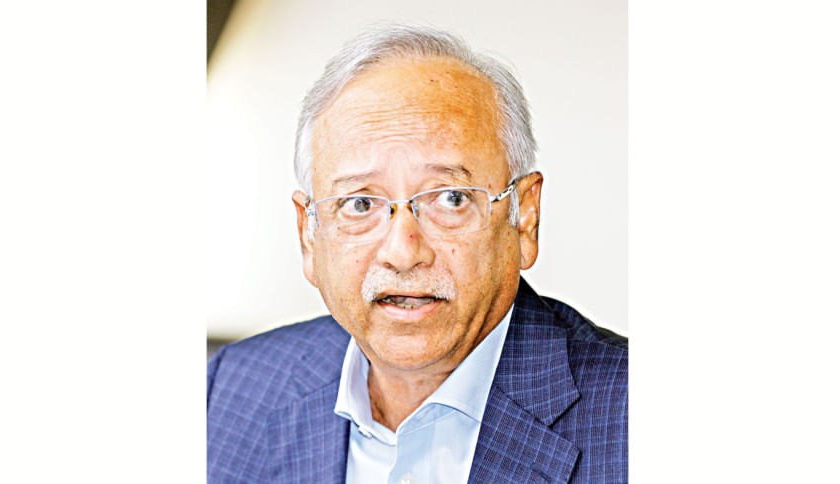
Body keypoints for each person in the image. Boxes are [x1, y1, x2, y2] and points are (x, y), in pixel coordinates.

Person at [207, 24, 627, 484]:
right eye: (360, 204)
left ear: (524, 217)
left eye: (451, 198)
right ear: (309, 234)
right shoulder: (228, 393)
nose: (403, 253)